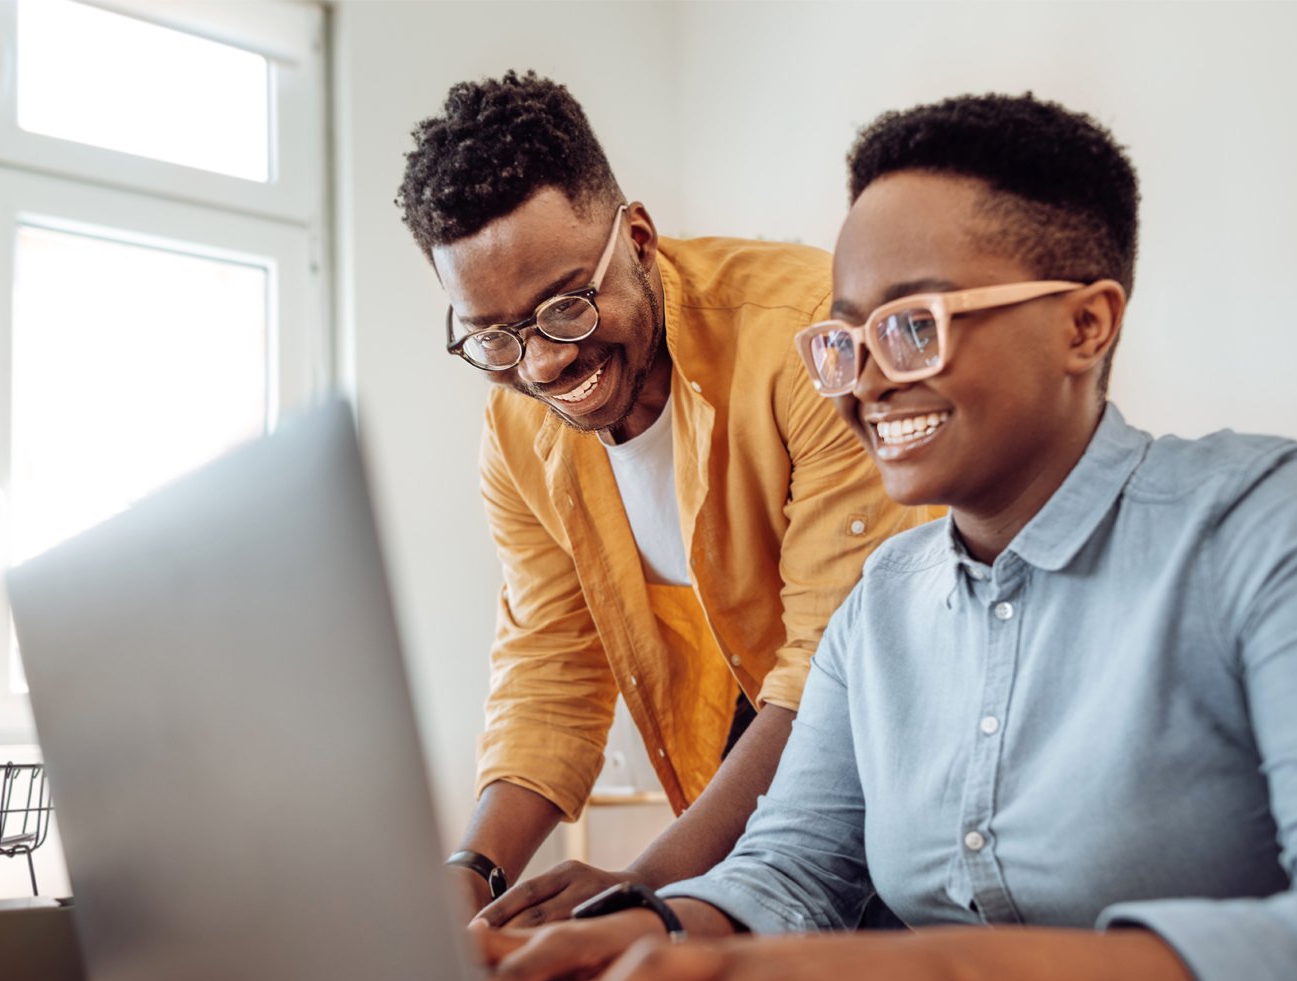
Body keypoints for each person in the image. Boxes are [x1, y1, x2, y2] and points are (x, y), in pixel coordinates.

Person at [477, 93, 1297, 981]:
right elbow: (794, 873)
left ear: (1087, 324)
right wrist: (642, 933)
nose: (869, 378)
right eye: (844, 339)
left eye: (914, 325)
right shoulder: (881, 611)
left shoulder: (1282, 530)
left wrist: (932, 980)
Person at [397, 73, 935, 926]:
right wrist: (470, 876)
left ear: (638, 240)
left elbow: (834, 674)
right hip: (736, 840)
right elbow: (550, 667)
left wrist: (639, 892)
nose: (541, 366)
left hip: (899, 812)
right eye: (495, 337)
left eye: (565, 307)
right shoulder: (514, 432)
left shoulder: (807, 336)